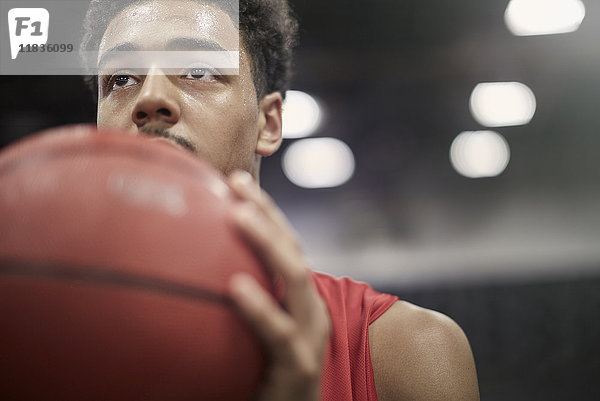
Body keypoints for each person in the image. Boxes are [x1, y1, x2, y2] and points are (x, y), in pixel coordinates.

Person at [80, 1, 480, 400]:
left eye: (198, 71)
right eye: (120, 79)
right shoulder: (35, 344)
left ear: (268, 123)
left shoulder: (405, 349)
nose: (148, 97)